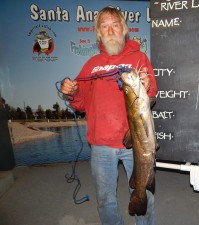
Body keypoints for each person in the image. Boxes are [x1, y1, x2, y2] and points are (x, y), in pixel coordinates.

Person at [60, 6, 157, 225]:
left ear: (124, 29)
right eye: (104, 27)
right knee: (105, 200)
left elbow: (152, 94)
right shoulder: (91, 65)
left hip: (137, 144)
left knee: (146, 195)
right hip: (101, 145)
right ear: (99, 34)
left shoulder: (139, 58)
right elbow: (81, 103)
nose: (110, 31)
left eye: (115, 25)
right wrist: (72, 93)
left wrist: (148, 86)